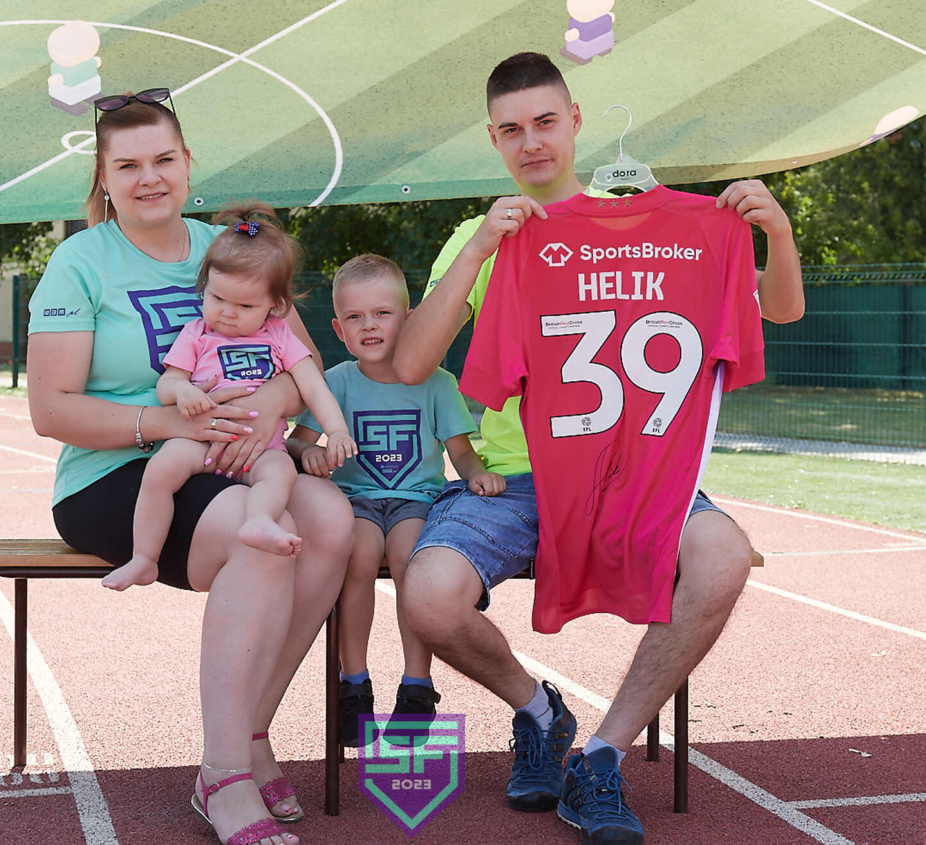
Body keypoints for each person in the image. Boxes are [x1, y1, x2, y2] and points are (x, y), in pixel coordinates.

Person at [393, 52, 804, 844]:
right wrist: (478, 251)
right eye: (512, 129)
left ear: (576, 121)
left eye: (546, 122)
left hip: (635, 473)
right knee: (428, 594)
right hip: (517, 479)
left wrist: (777, 232)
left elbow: (780, 311)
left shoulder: (669, 231)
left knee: (723, 553)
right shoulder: (485, 237)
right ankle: (539, 712)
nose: (532, 142)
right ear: (493, 139)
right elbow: (412, 362)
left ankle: (602, 756)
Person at [28, 90, 354, 845]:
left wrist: (268, 406)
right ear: (103, 177)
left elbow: (301, 364)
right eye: (128, 165)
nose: (149, 178)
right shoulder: (80, 262)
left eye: (163, 159)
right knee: (253, 531)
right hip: (119, 474)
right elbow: (51, 410)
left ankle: (250, 734)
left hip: (233, 455)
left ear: (187, 163)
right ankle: (225, 777)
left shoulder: (233, 247)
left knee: (332, 520)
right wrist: (174, 422)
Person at [286, 254, 504, 746]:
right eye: (355, 317)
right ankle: (354, 684)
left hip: (416, 500)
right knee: (358, 555)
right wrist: (310, 453)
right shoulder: (335, 381)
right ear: (339, 330)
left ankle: (416, 686)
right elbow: (296, 441)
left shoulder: (437, 382)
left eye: (382, 313)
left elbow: (461, 451)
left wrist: (477, 475)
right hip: (357, 501)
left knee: (410, 556)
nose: (369, 325)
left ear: (408, 319)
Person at [102, 202, 356, 591]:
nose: (227, 313)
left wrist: (336, 430)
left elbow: (313, 386)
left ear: (275, 305)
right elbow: (168, 382)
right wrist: (183, 391)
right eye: (217, 298)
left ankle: (259, 520)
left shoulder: (279, 335)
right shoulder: (197, 333)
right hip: (201, 442)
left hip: (260, 450)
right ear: (205, 287)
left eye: (245, 305)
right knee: (159, 471)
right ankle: (144, 558)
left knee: (281, 473)